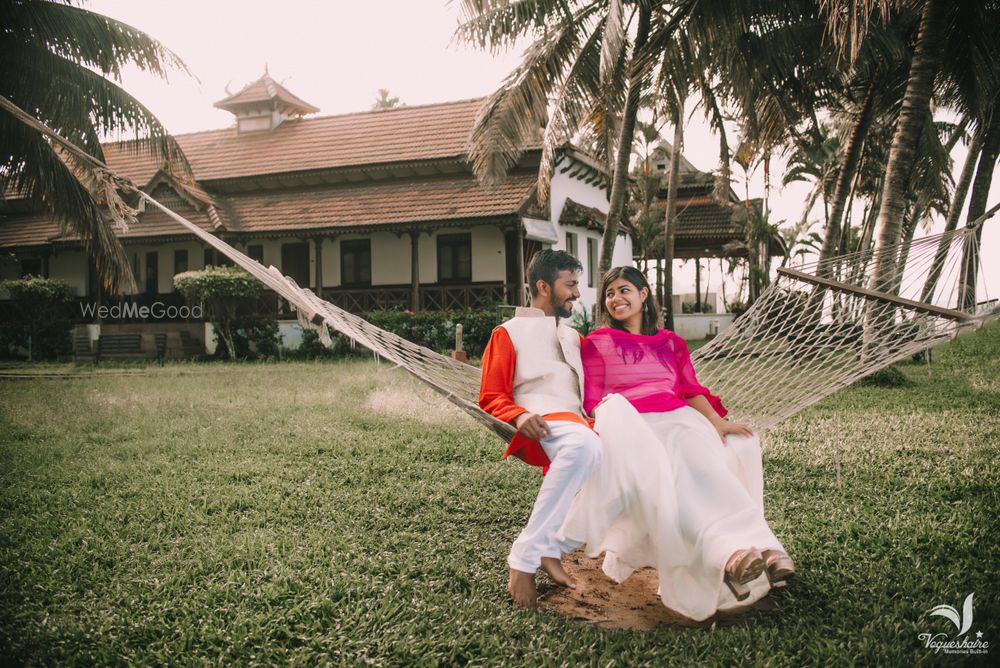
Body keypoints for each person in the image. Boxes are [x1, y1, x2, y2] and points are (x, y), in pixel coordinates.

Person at [558, 265, 794, 622]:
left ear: (643, 294)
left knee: (709, 469)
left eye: (624, 290)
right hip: (632, 426)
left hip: (679, 420)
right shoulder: (598, 342)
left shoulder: (672, 342)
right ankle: (728, 555)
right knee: (671, 478)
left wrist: (717, 422)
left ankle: (766, 549)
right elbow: (594, 400)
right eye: (609, 294)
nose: (616, 299)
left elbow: (689, 390)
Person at [479, 250, 602, 609]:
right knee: (583, 447)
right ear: (544, 287)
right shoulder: (508, 333)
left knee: (631, 455)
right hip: (542, 421)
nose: (577, 294)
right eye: (571, 285)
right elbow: (490, 395)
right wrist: (517, 416)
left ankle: (552, 547)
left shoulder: (575, 337)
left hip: (580, 421)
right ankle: (524, 558)